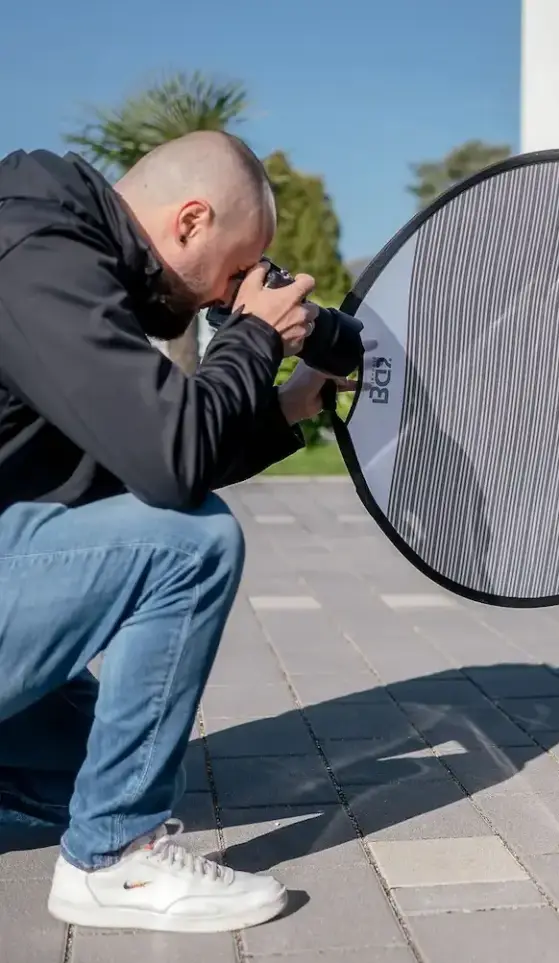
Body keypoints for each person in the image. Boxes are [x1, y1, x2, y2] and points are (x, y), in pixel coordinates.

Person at [0, 131, 352, 933]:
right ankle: (112, 860)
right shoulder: (35, 256)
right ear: (190, 220)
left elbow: (133, 459)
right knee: (194, 544)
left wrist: (285, 405)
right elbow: (168, 464)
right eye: (232, 274)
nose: (220, 300)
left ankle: (66, 807)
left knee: (84, 763)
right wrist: (253, 338)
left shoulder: (62, 257)